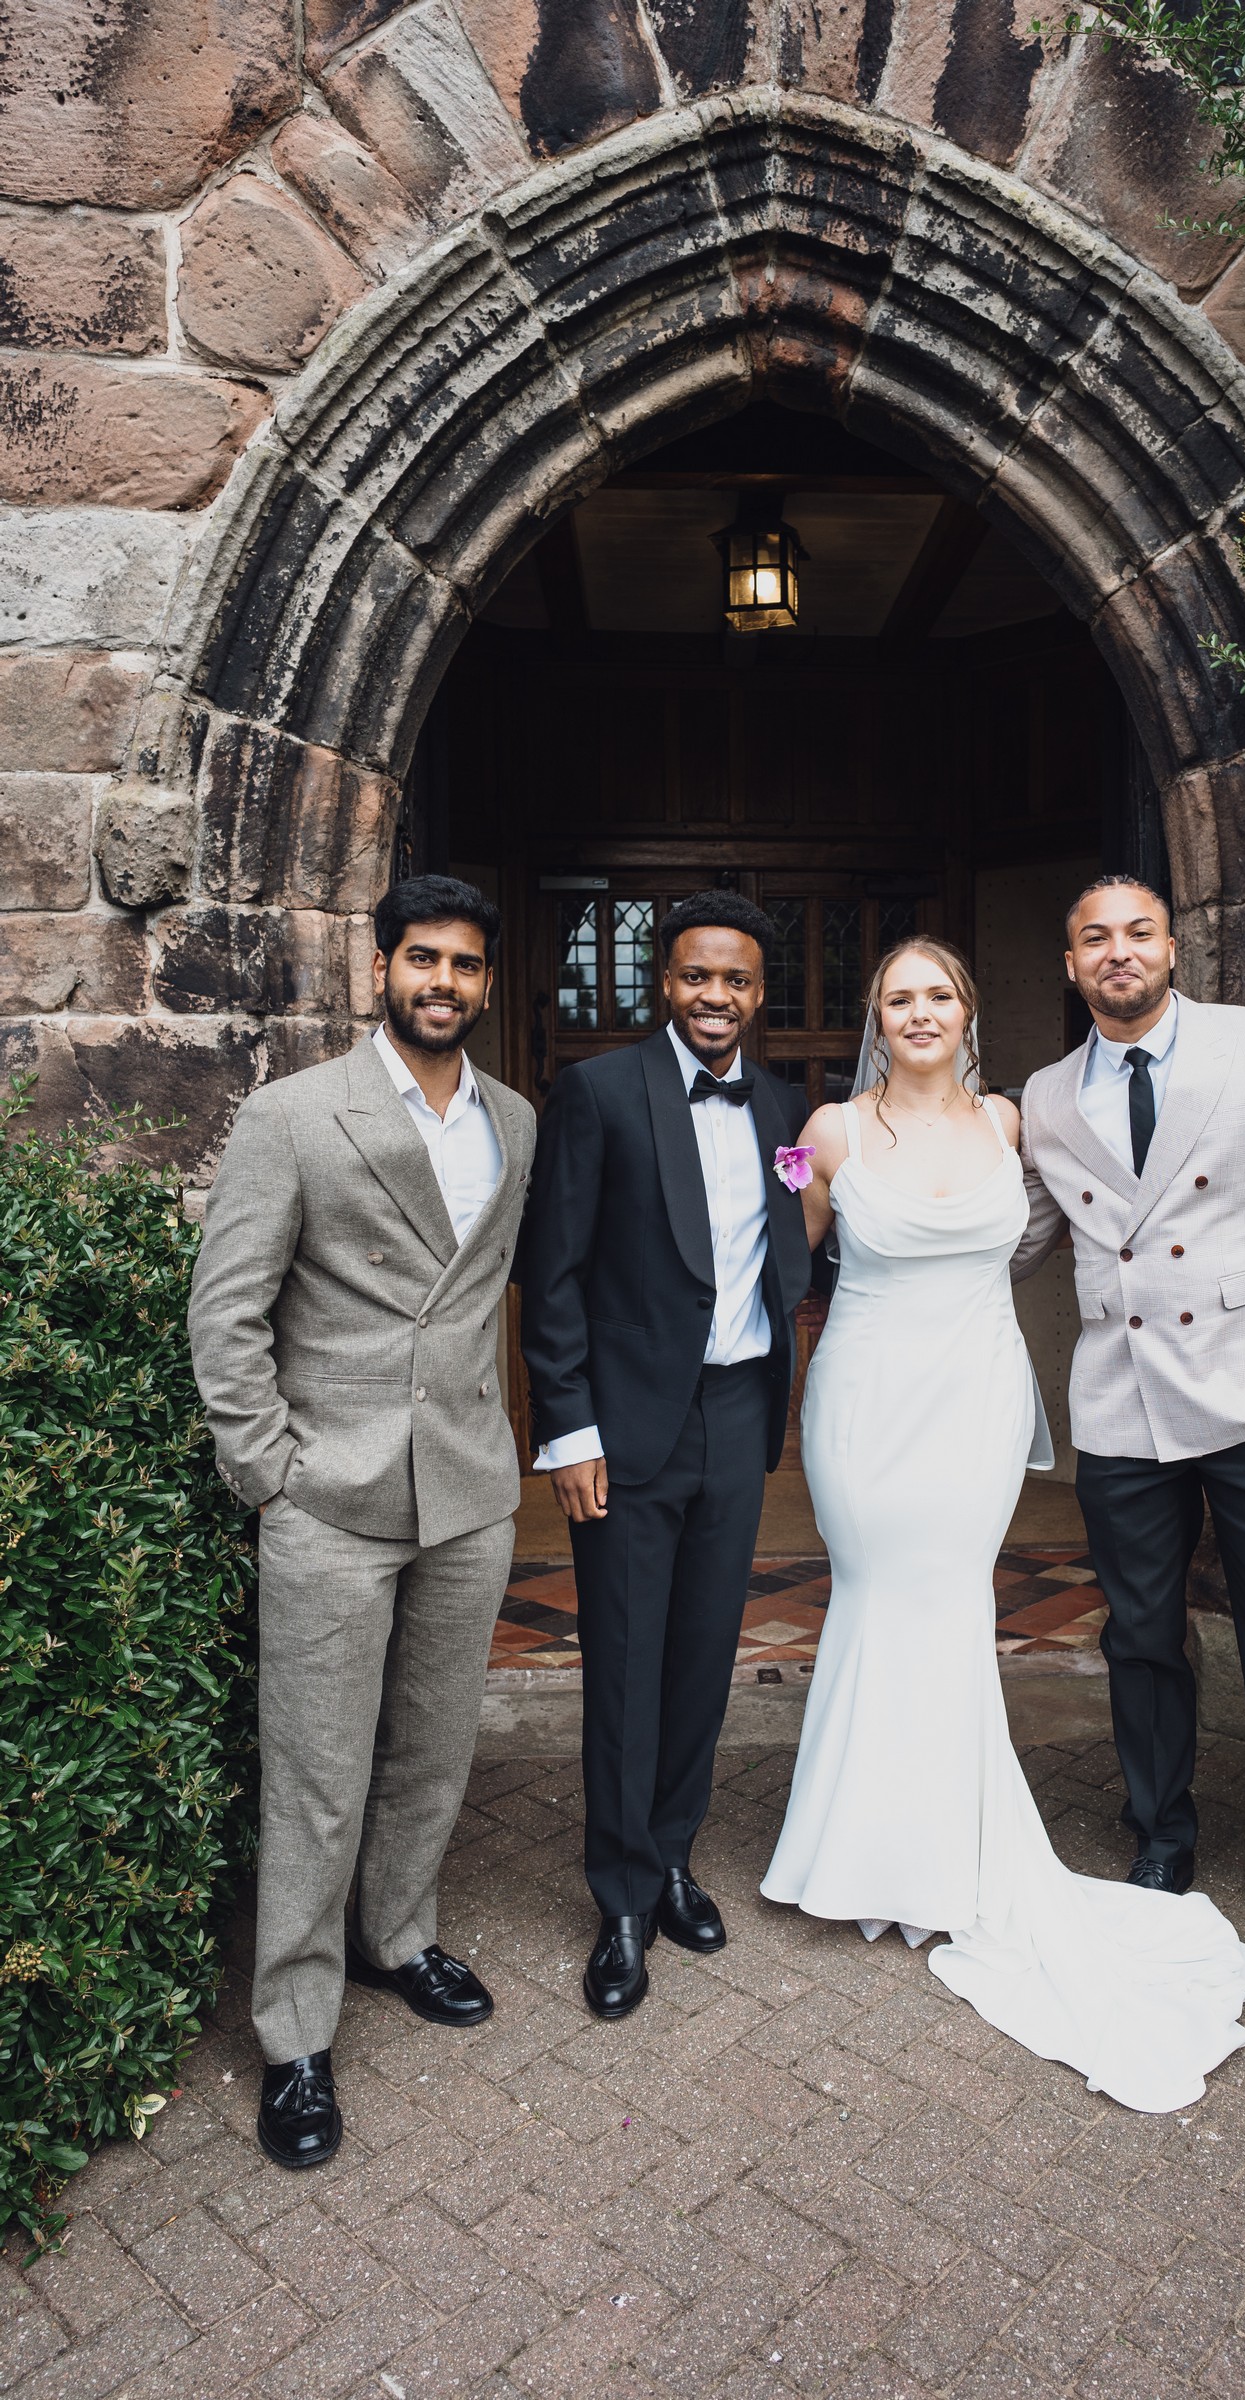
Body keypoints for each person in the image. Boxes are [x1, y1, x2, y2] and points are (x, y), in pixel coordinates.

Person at [762, 938, 1245, 2113]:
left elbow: (1103, 1218)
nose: (919, 1012)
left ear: (968, 1011)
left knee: (950, 1606)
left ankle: (944, 1849)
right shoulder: (827, 1134)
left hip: (978, 1400)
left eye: (937, 994)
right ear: (876, 1019)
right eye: (898, 998)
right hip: (866, 1397)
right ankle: (861, 1851)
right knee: (877, 1596)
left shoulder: (1009, 1123)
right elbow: (785, 1263)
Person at [188, 875, 536, 2170]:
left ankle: (397, 1938)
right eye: (421, 958)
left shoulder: (515, 1120)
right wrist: (269, 1470)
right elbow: (226, 1310)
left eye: (465, 963)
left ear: (487, 982)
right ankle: (294, 2030)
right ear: (380, 967)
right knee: (318, 1774)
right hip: (329, 1495)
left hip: (467, 1492)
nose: (443, 982)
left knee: (432, 1749)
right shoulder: (292, 1115)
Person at [1012, 876, 1245, 2017]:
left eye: (1138, 933)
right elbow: (1018, 1238)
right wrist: (893, 1207)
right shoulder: (1043, 1095)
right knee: (1140, 1638)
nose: (1117, 952)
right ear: (1071, 965)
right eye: (1094, 938)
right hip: (1123, 1407)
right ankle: (1161, 1840)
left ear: (1172, 949)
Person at [518, 891, 813, 2020]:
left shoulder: (782, 1104)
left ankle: (675, 1855)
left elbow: (787, 1245)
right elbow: (552, 1276)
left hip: (738, 1412)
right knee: (625, 1661)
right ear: (664, 982)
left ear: (758, 993)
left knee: (702, 1653)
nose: (714, 997)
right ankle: (623, 1900)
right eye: (696, 976)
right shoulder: (598, 1092)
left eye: (735, 980)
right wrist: (568, 1428)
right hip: (628, 1423)